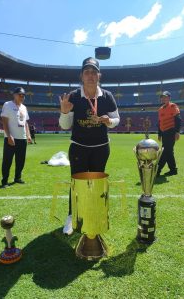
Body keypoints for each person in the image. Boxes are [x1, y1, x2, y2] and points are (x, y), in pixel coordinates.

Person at [59, 57, 120, 235]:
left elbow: (117, 118)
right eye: (87, 72)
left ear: (99, 75)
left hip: (101, 147)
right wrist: (64, 111)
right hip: (78, 146)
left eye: (94, 72)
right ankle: (72, 216)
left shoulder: (107, 96)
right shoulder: (73, 96)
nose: (91, 75)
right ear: (81, 76)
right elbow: (64, 125)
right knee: (76, 183)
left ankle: (94, 214)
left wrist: (109, 121)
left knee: (96, 184)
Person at [0, 87, 31, 188]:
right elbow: (4, 121)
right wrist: (9, 136)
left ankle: (17, 177)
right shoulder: (8, 105)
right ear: (14, 95)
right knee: (7, 160)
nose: (22, 97)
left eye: (23, 95)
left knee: (21, 160)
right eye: (19, 95)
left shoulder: (24, 107)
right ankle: (4, 181)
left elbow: (26, 122)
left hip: (22, 139)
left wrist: (28, 135)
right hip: (11, 138)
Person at [157, 91, 181, 177]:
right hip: (164, 133)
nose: (163, 98)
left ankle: (157, 170)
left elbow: (178, 119)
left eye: (165, 97)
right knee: (169, 151)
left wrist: (177, 132)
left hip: (171, 131)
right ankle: (173, 170)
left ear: (169, 98)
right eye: (162, 97)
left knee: (165, 151)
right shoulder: (160, 109)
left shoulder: (173, 106)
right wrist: (159, 134)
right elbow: (160, 123)